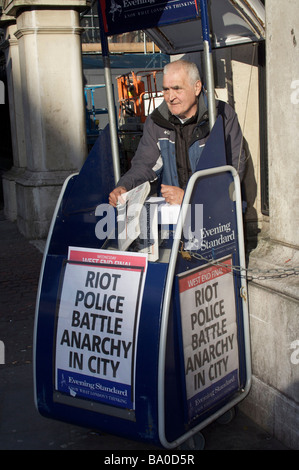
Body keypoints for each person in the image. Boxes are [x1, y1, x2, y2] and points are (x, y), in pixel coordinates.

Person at [109, 59, 246, 207]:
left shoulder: (221, 115)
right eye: (166, 89)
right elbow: (144, 164)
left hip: (216, 213)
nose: (170, 97)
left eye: (177, 89)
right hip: (173, 216)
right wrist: (125, 186)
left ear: (197, 87)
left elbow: (234, 168)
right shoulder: (156, 121)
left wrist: (191, 196)